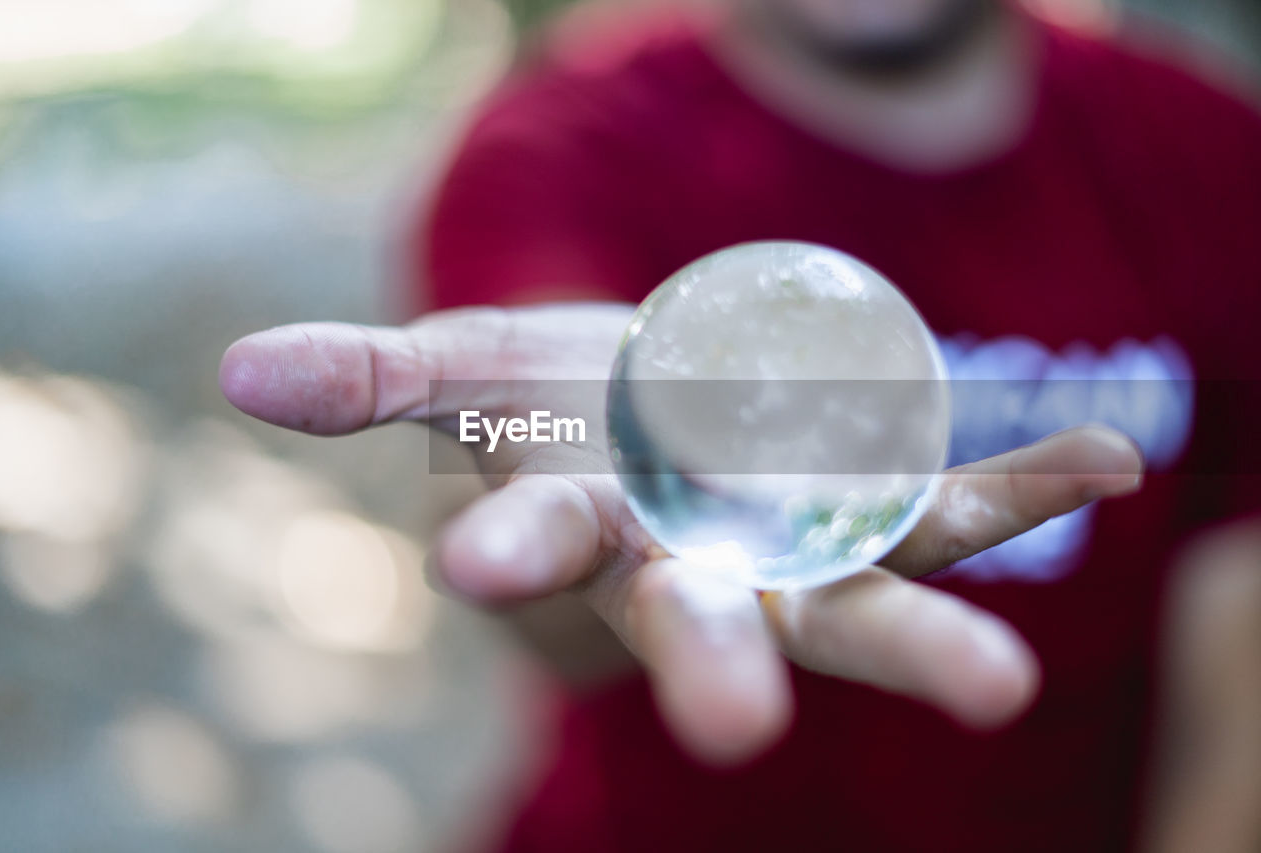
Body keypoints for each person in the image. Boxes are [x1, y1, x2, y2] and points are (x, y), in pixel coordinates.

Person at [220, 0, 1261, 849]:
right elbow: (486, 449)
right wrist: (517, 462)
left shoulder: (1210, 150)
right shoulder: (562, 142)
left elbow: (1237, 615)